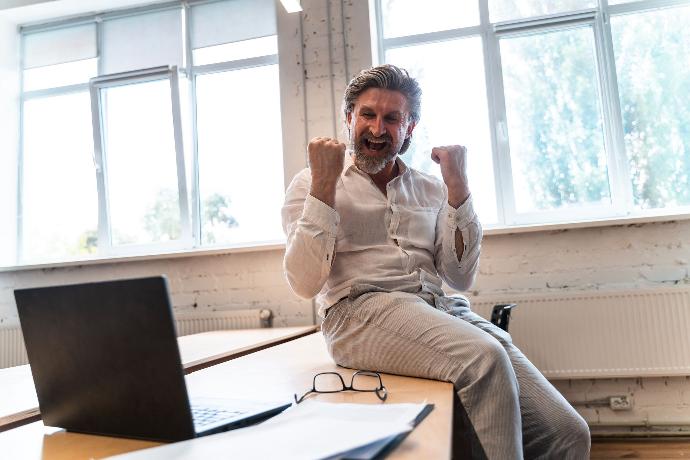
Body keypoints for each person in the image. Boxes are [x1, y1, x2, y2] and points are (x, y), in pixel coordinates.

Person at [281, 64, 590, 459]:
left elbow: (459, 278)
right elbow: (304, 283)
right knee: (483, 358)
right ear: (349, 118)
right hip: (357, 312)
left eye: (392, 118)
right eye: (367, 114)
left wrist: (458, 189)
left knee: (567, 433)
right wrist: (324, 187)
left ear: (409, 128)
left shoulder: (430, 187)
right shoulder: (311, 182)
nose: (377, 129)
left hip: (443, 308)